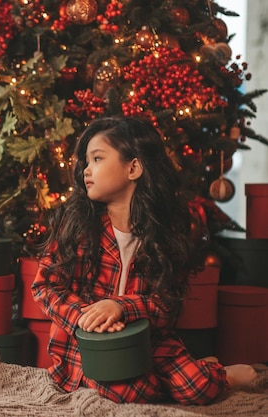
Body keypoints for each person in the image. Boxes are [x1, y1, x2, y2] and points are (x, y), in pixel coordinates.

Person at [31, 117, 257, 405]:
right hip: (87, 343)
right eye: (86, 162)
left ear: (133, 168)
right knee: (119, 391)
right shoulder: (77, 224)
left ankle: (212, 372)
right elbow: (45, 287)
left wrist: (121, 307)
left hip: (150, 339)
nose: (86, 170)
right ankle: (158, 379)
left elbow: (166, 305)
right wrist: (87, 318)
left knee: (198, 388)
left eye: (97, 159)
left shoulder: (165, 234)